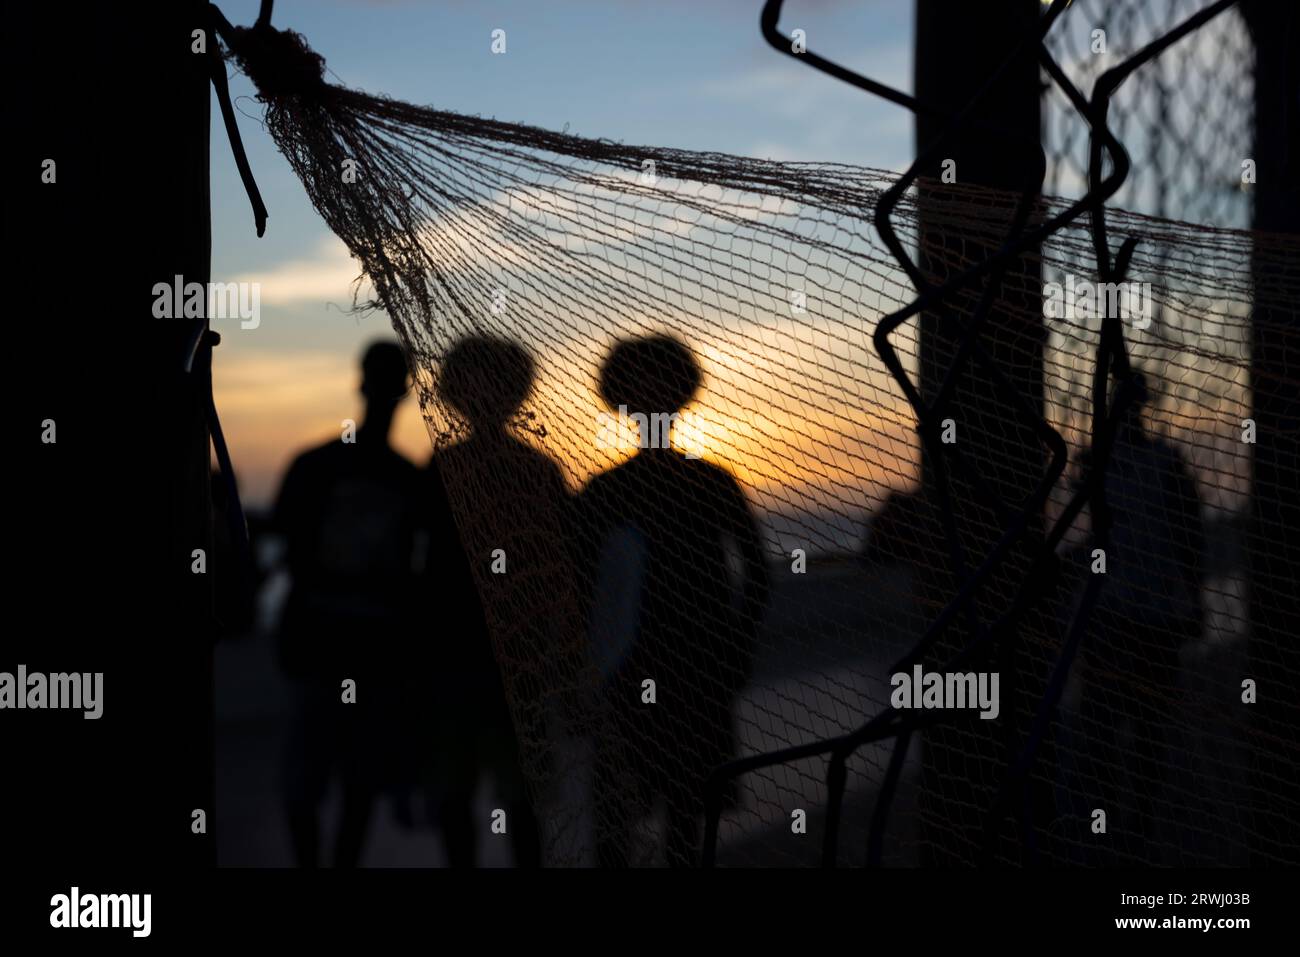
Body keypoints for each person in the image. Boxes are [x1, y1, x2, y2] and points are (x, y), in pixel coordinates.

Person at [579, 334, 770, 866]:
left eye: (658, 384)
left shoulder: (619, 488)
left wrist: (736, 649)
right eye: (640, 386)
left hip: (690, 667)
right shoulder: (621, 489)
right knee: (643, 814)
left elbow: (756, 573)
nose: (649, 398)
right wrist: (736, 649)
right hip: (648, 667)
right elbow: (582, 586)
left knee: (675, 815)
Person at [423, 335, 580, 867]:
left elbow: (563, 570)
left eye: (496, 385)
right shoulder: (450, 471)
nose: (486, 396)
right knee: (470, 793)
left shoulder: (532, 472)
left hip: (515, 662)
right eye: (475, 385)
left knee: (513, 796)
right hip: (465, 657)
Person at [273, 340, 423, 868]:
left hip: (358, 646)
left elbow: (284, 548)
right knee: (328, 776)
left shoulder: (323, 465)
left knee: (340, 777)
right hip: (339, 644)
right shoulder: (404, 478)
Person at [1077, 372, 1203, 860]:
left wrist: (1194, 600)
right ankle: (1118, 824)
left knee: (1142, 728)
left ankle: (1134, 824)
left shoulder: (1157, 464)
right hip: (1119, 615)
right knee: (1110, 728)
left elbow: (1190, 536)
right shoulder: (1106, 462)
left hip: (1145, 617)